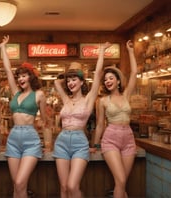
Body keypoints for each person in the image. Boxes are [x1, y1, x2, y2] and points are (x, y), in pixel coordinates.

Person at [53, 42, 112, 198]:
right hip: (62, 141)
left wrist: (101, 52)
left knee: (73, 186)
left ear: (81, 82)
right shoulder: (66, 99)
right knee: (64, 187)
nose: (71, 83)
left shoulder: (88, 99)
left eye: (74, 79)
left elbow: (98, 73)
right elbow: (56, 82)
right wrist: (68, 73)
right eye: (69, 80)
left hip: (80, 142)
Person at [0, 35, 47, 198]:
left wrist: (47, 143)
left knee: (19, 182)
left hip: (30, 139)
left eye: (24, 75)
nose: (20, 79)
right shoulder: (15, 92)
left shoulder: (39, 95)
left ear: (31, 77)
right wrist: (3, 48)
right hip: (13, 138)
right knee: (18, 187)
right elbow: (7, 69)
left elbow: (45, 122)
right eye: (19, 76)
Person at [91, 40, 137, 198]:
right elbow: (99, 125)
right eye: (105, 80)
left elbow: (134, 73)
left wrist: (130, 51)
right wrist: (95, 145)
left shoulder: (126, 95)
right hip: (111, 138)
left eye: (111, 78)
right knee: (121, 179)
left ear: (118, 81)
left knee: (121, 183)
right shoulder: (103, 101)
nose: (107, 81)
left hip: (129, 139)